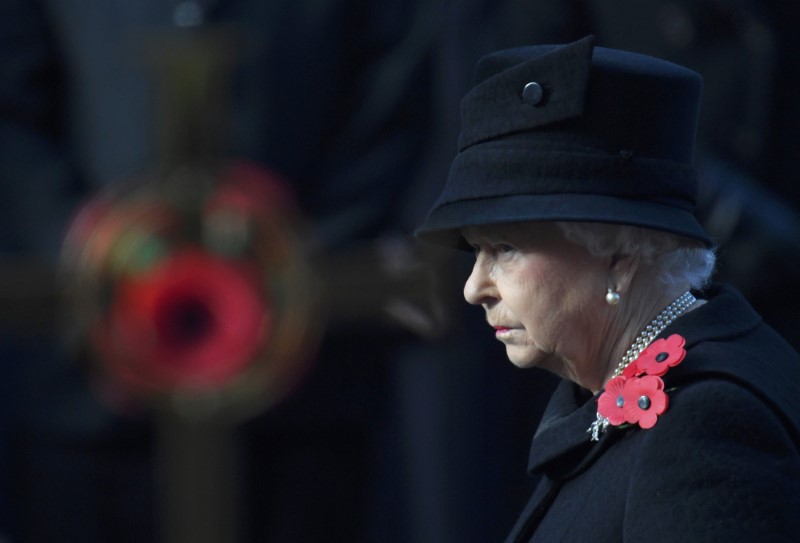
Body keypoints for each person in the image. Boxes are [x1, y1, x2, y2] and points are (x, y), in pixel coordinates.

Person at [415, 35, 800, 541]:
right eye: (476, 251)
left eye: (504, 248)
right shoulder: (615, 384)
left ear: (618, 257)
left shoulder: (704, 426)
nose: (473, 288)